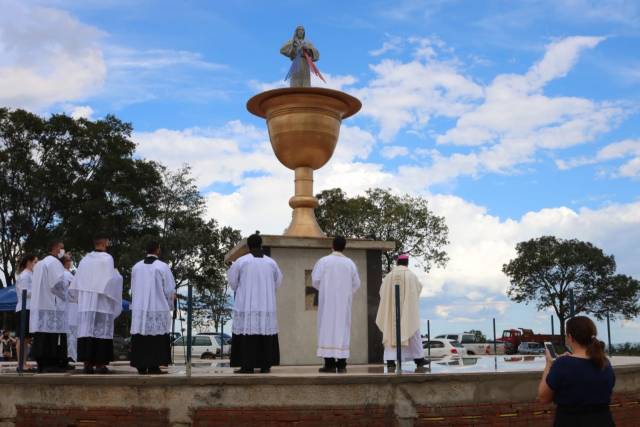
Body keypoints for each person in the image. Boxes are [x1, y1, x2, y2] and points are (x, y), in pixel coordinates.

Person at [538, 316, 616, 427]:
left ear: (570, 337)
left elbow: (543, 398)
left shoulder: (562, 364)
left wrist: (549, 364)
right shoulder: (605, 363)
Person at [229, 232, 283, 374]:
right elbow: (277, 282)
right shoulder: (271, 262)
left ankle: (247, 366)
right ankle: (265, 365)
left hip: (247, 305)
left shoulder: (241, 262)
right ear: (261, 245)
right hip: (266, 305)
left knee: (248, 333)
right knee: (264, 332)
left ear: (248, 246)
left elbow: (233, 283)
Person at [70, 234, 123, 374]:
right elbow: (111, 280)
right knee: (101, 332)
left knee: (87, 330)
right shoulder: (107, 259)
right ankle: (100, 364)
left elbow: (77, 280)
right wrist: (118, 277)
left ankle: (87, 364)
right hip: (101, 301)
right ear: (105, 243)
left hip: (87, 302)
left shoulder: (85, 259)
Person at [311, 236, 361, 373]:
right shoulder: (350, 263)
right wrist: (346, 293)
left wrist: (326, 289)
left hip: (327, 303)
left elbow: (315, 280)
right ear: (344, 247)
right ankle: (342, 364)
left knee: (327, 329)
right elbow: (356, 284)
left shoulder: (324, 261)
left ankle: (329, 364)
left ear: (332, 245)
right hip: (343, 304)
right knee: (342, 330)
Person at [130, 240, 176, 375]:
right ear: (157, 250)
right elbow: (169, 289)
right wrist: (170, 304)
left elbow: (132, 288)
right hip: (157, 307)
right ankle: (154, 366)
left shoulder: (136, 267)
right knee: (156, 338)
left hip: (140, 308)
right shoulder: (162, 267)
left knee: (141, 336)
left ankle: (141, 365)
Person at [375, 253, 427, 371]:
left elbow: (381, 292)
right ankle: (419, 359)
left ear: (397, 263)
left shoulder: (389, 276)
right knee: (413, 330)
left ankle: (390, 361)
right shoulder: (411, 276)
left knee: (390, 332)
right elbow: (418, 289)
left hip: (391, 312)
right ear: (407, 263)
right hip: (407, 310)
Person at [30, 240, 71, 373]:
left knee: (41, 335)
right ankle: (50, 364)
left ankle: (42, 364)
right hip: (51, 305)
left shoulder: (40, 263)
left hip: (40, 304)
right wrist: (67, 293)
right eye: (62, 248)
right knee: (51, 336)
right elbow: (57, 284)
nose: (63, 251)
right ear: (55, 248)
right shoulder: (54, 263)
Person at [15, 253, 38, 369]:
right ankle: (21, 364)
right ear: (29, 262)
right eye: (35, 262)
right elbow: (25, 292)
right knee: (22, 337)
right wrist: (39, 291)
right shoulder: (24, 275)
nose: (36, 264)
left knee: (27, 338)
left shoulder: (31, 275)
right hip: (24, 308)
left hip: (30, 308)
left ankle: (23, 363)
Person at [63, 255, 78, 363]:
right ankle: (71, 355)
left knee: (71, 333)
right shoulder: (67, 275)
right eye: (69, 260)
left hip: (70, 306)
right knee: (72, 333)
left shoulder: (67, 274)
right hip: (71, 307)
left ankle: (71, 354)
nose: (70, 262)